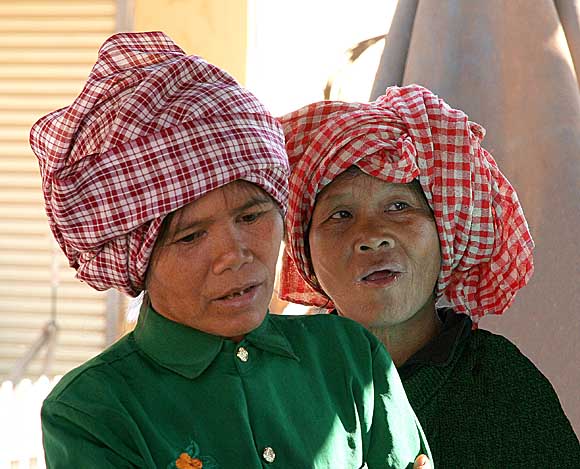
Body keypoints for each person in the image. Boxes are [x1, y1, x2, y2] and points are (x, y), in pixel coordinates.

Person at [30, 32, 432, 468]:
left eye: (252, 216)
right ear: (137, 258)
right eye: (190, 236)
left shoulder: (349, 357)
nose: (236, 256)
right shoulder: (93, 410)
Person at [278, 85, 580, 468]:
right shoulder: (277, 380)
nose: (371, 236)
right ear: (306, 252)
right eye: (340, 215)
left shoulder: (499, 383)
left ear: (446, 234)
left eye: (399, 206)